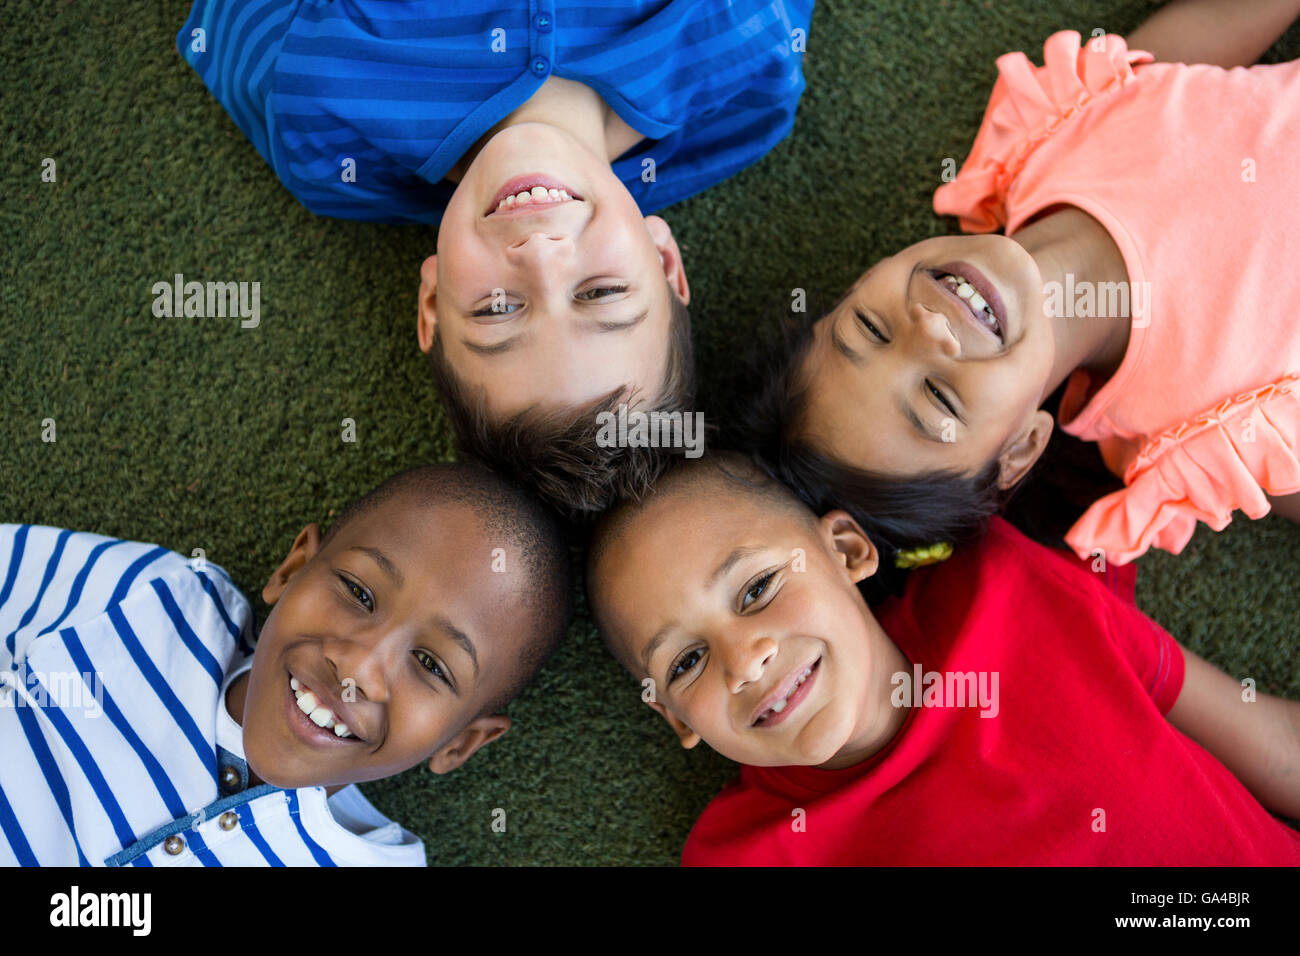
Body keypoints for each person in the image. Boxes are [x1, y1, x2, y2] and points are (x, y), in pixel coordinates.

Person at [177, 0, 813, 516]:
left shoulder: (320, 127)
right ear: (663, 260)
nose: (541, 256)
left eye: (498, 308)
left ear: (432, 302)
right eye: (599, 293)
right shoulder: (748, 65)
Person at [740, 1, 1300, 564]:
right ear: (1021, 448)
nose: (929, 329)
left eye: (871, 328)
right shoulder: (1217, 429)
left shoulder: (1062, 121)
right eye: (938, 397)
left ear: (859, 282)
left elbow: (1226, 16)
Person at [586, 453, 1300, 864]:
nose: (743, 662)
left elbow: (1266, 738)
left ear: (847, 552)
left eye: (757, 588)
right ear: (674, 718)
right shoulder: (750, 856)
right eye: (684, 664)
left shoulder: (1002, 585)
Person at [0, 464, 571, 865]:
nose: (359, 668)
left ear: (460, 743)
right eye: (359, 593)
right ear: (294, 568)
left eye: (431, 664)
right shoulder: (158, 603)